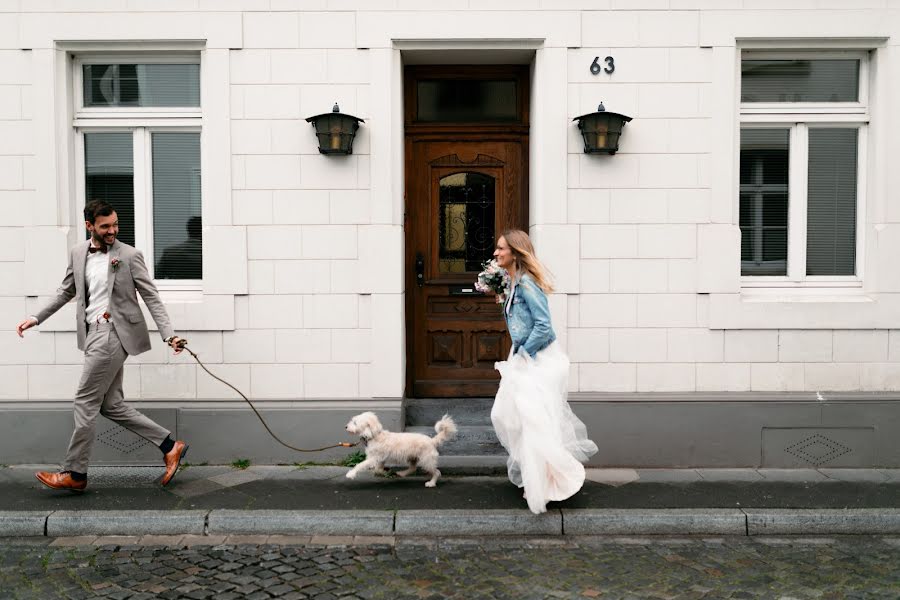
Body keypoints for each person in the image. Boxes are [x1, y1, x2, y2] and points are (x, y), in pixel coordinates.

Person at [15, 200, 190, 493]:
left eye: (115, 225)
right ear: (89, 226)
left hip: (113, 335)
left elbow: (151, 297)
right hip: (92, 333)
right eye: (105, 226)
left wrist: (169, 335)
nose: (112, 231)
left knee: (84, 401)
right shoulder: (78, 253)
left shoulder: (130, 255)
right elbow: (65, 291)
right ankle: (170, 446)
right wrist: (36, 317)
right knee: (111, 405)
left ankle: (75, 472)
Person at [490, 229, 598, 514]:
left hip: (538, 359)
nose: (496, 253)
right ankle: (537, 474)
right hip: (524, 356)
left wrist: (525, 354)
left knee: (533, 420)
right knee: (506, 415)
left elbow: (544, 327)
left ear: (515, 252)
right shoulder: (513, 283)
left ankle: (546, 482)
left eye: (501, 249)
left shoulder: (526, 284)